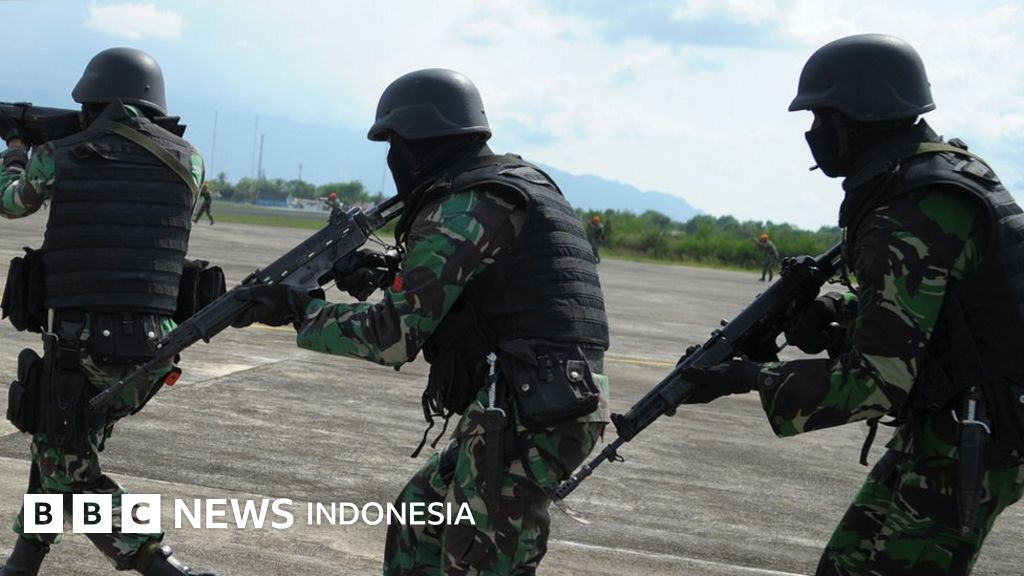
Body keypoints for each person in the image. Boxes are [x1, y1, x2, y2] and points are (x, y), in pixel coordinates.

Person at [233, 68, 611, 575]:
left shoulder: (469, 203)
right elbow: (489, 284)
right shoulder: (515, 184)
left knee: (478, 563)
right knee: (420, 518)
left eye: (394, 143)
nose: (393, 159)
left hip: (529, 415)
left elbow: (393, 336)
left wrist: (301, 310)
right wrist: (386, 270)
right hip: (540, 400)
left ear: (417, 145)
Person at [679, 34, 1024, 575]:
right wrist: (834, 315)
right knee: (845, 564)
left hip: (975, 434)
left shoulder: (912, 209)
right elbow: (938, 314)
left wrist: (748, 377)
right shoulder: (933, 179)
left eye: (821, 118)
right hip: (952, 417)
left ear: (859, 117)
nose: (813, 134)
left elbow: (878, 382)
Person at [0, 48, 217, 576]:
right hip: (155, 345)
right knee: (58, 440)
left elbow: (10, 203)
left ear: (91, 100)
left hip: (83, 343)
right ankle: (25, 559)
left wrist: (16, 149)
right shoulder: (188, 158)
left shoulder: (60, 155)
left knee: (68, 463)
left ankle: (162, 566)